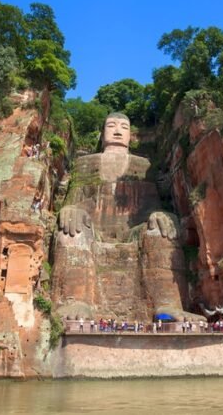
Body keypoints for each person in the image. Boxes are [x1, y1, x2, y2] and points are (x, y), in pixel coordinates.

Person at [51, 113, 201, 323]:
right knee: (72, 230)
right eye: (111, 126)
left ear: (131, 135)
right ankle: (76, 300)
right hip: (92, 229)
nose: (117, 131)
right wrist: (70, 209)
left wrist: (161, 214)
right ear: (102, 134)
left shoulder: (143, 165)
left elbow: (151, 207)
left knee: (161, 228)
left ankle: (167, 304)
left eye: (124, 127)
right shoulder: (85, 163)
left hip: (132, 231)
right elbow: (76, 199)